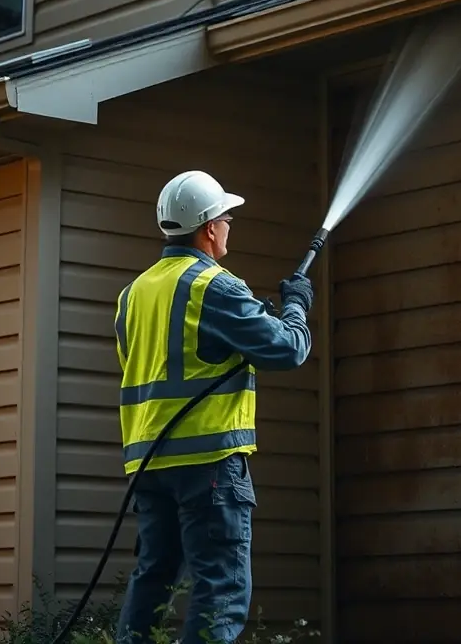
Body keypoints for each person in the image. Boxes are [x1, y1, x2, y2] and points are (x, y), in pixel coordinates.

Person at [114, 170, 314, 644]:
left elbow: (178, 359)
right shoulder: (214, 287)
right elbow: (288, 349)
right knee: (220, 589)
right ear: (208, 227)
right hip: (208, 468)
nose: (229, 225)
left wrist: (248, 323)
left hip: (149, 465)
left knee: (152, 582)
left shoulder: (133, 295)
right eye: (226, 217)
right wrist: (296, 308)